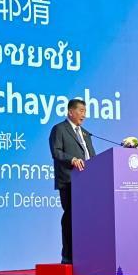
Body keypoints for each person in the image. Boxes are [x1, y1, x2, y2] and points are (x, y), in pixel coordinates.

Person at [49, 98, 96, 264]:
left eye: (85, 111)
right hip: (69, 181)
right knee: (70, 217)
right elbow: (56, 152)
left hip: (87, 183)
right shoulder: (59, 129)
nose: (84, 115)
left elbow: (92, 156)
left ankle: (86, 254)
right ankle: (68, 256)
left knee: (87, 220)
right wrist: (72, 159)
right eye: (81, 111)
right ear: (70, 112)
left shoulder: (86, 134)